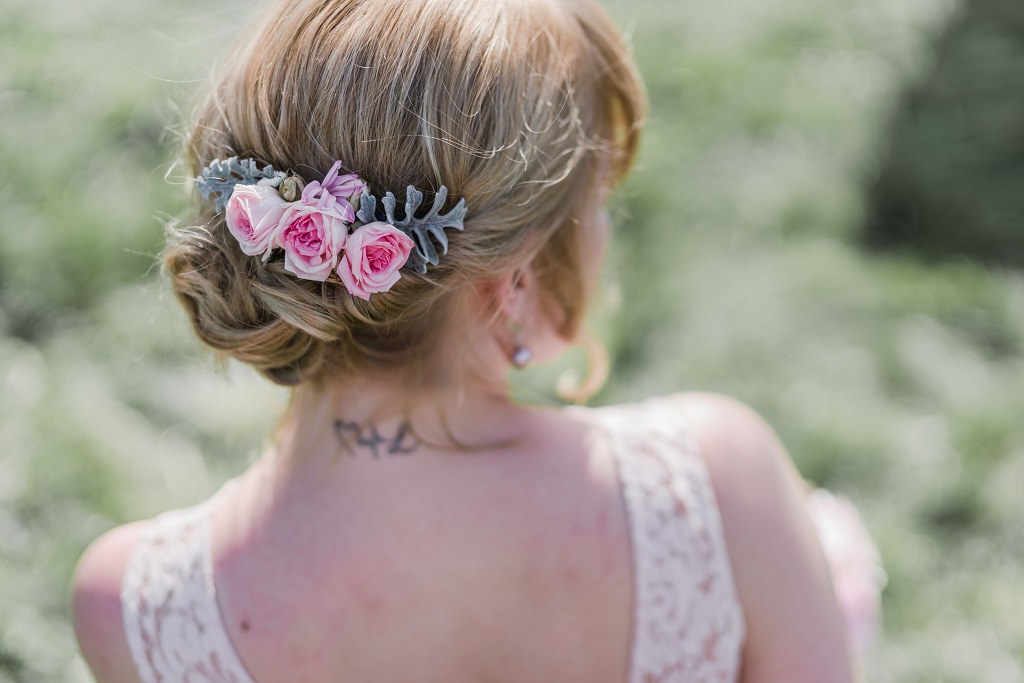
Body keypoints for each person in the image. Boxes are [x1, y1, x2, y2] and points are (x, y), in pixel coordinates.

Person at [70, 0, 881, 681]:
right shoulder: (715, 491)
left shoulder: (140, 608)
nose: (605, 232)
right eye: (597, 198)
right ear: (515, 282)